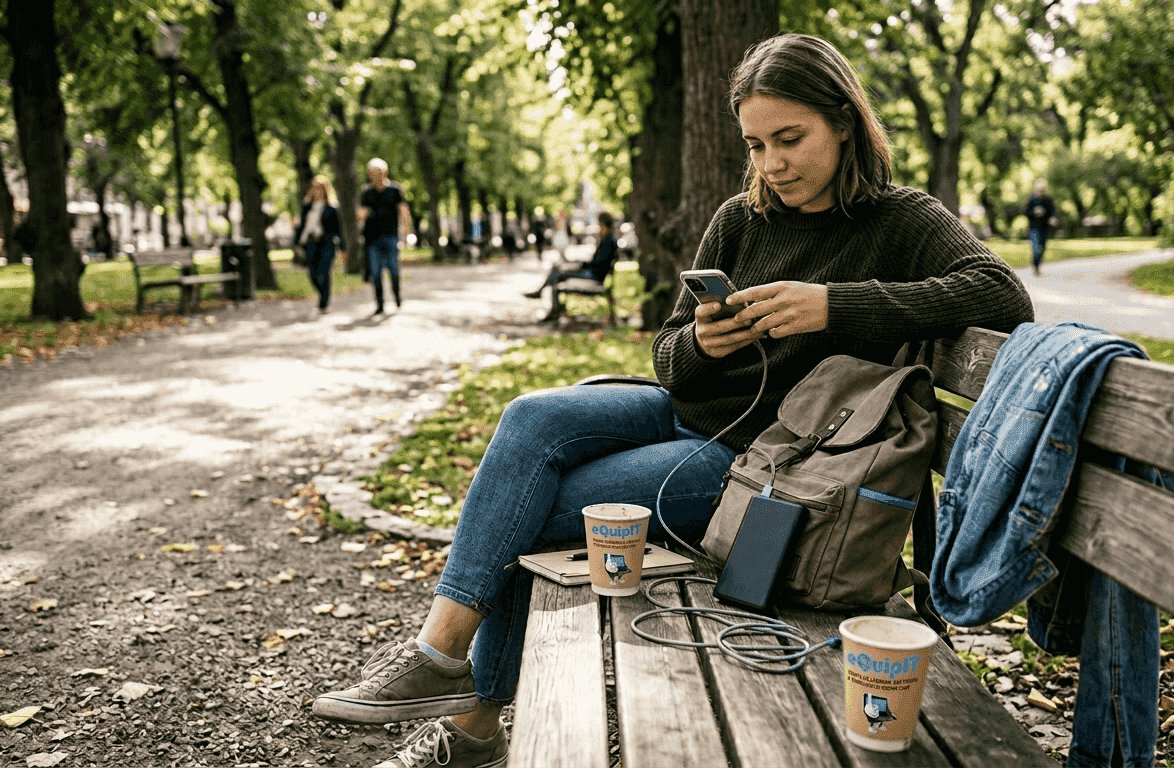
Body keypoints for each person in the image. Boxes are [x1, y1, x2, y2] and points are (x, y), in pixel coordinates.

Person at [310, 32, 1033, 768]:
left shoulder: (900, 219)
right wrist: (703, 344)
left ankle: (470, 727)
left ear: (843, 121)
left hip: (759, 460)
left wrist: (831, 305)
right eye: (755, 145)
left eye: (790, 139)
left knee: (533, 513)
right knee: (530, 416)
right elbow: (667, 357)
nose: (772, 164)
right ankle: (438, 657)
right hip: (682, 412)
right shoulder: (741, 219)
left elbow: (1004, 295)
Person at [521, 211, 619, 322]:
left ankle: (550, 307)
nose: (598, 227)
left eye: (599, 224)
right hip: (593, 272)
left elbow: (598, 263)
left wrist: (581, 265)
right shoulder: (607, 239)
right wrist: (579, 263)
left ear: (602, 224)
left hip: (594, 275)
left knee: (559, 275)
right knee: (557, 269)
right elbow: (597, 261)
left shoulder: (608, 241)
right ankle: (549, 304)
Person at [360, 158, 412, 315]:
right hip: (372, 239)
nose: (375, 176)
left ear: (385, 172)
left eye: (378, 172)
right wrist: (361, 216)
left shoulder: (395, 190)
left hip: (391, 236)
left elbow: (403, 211)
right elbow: (361, 213)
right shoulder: (366, 192)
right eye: (372, 173)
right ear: (369, 174)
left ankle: (397, 297)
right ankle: (380, 304)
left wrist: (406, 232)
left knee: (394, 270)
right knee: (375, 273)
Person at [295, 178, 342, 312]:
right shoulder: (307, 207)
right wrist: (296, 243)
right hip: (310, 243)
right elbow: (300, 226)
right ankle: (322, 295)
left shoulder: (332, 208)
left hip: (326, 243)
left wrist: (342, 248)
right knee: (312, 273)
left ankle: (324, 302)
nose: (317, 191)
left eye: (320, 188)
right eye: (314, 187)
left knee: (324, 271)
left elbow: (338, 229)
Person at [1024, 179, 1058, 276]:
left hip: (1044, 228)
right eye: (1039, 189)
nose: (1041, 191)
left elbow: (1053, 211)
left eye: (1042, 189)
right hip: (1034, 228)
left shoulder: (1048, 200)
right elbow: (1025, 211)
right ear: (1036, 189)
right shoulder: (1031, 199)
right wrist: (1034, 211)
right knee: (1036, 247)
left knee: (1042, 247)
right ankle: (1035, 266)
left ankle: (1037, 265)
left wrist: (1052, 218)